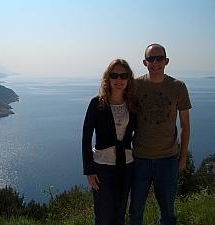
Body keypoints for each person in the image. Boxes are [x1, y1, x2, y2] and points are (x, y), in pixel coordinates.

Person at [129, 43, 191, 225]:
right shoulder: (135, 86)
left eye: (159, 59)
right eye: (151, 59)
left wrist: (183, 157)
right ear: (144, 62)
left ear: (166, 61)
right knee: (135, 212)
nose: (155, 63)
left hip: (168, 159)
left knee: (167, 213)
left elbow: (185, 125)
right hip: (140, 159)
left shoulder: (178, 87)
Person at [82, 58, 137, 225]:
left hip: (126, 165)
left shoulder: (133, 104)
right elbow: (86, 137)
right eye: (114, 75)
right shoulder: (97, 103)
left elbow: (140, 133)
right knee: (103, 215)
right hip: (102, 167)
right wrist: (89, 170)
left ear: (128, 79)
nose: (119, 80)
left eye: (123, 76)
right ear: (108, 78)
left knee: (120, 213)